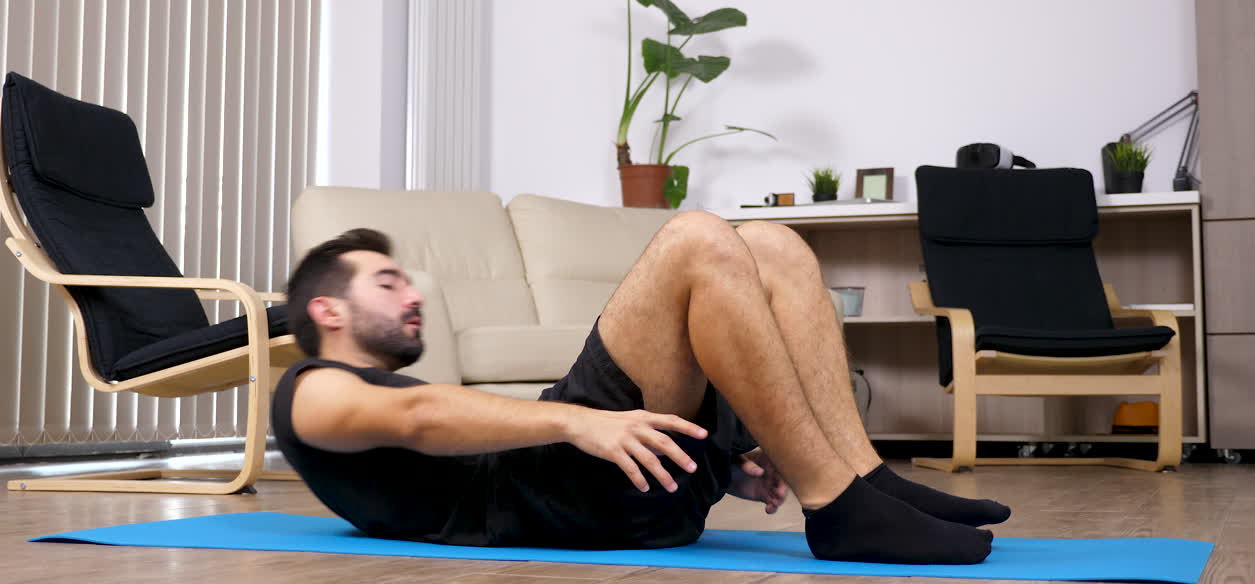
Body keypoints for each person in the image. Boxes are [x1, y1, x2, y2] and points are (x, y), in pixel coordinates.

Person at [272, 214, 1009, 564]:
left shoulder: (365, 391)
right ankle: (839, 509)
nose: (413, 296)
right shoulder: (308, 393)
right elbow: (420, 414)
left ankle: (862, 478)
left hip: (613, 495)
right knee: (694, 241)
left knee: (775, 247)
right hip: (550, 500)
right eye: (388, 281)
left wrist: (722, 471)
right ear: (326, 311)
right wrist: (577, 423)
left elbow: (427, 413)